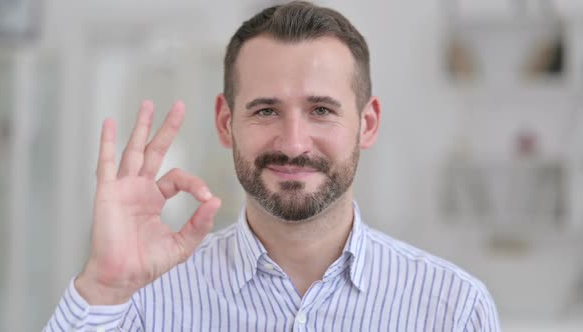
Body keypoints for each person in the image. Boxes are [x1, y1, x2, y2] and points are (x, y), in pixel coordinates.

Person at [45, 1, 500, 331]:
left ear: (368, 123)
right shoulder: (144, 297)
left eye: (321, 110)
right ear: (226, 123)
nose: (294, 142)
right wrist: (103, 288)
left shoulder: (453, 309)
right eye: (266, 111)